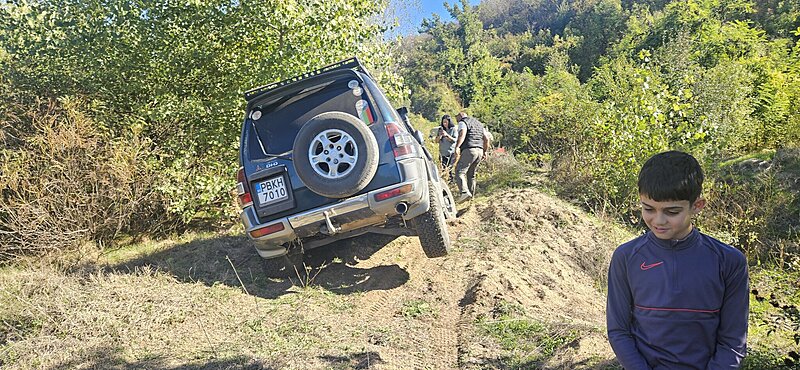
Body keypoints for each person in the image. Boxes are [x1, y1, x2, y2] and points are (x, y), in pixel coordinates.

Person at [606, 150, 749, 370]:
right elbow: (619, 330)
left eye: (671, 211)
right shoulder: (626, 257)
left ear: (697, 206)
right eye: (648, 209)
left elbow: (733, 341)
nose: (658, 220)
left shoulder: (728, 261)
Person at [453, 112, 490, 202]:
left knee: (459, 172)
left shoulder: (463, 122)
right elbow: (486, 139)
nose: (457, 121)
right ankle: (471, 198)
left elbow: (462, 133)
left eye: (456, 118)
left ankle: (465, 192)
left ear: (460, 116)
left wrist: (457, 147)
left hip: (469, 150)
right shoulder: (479, 124)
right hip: (479, 151)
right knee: (471, 175)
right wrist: (485, 151)